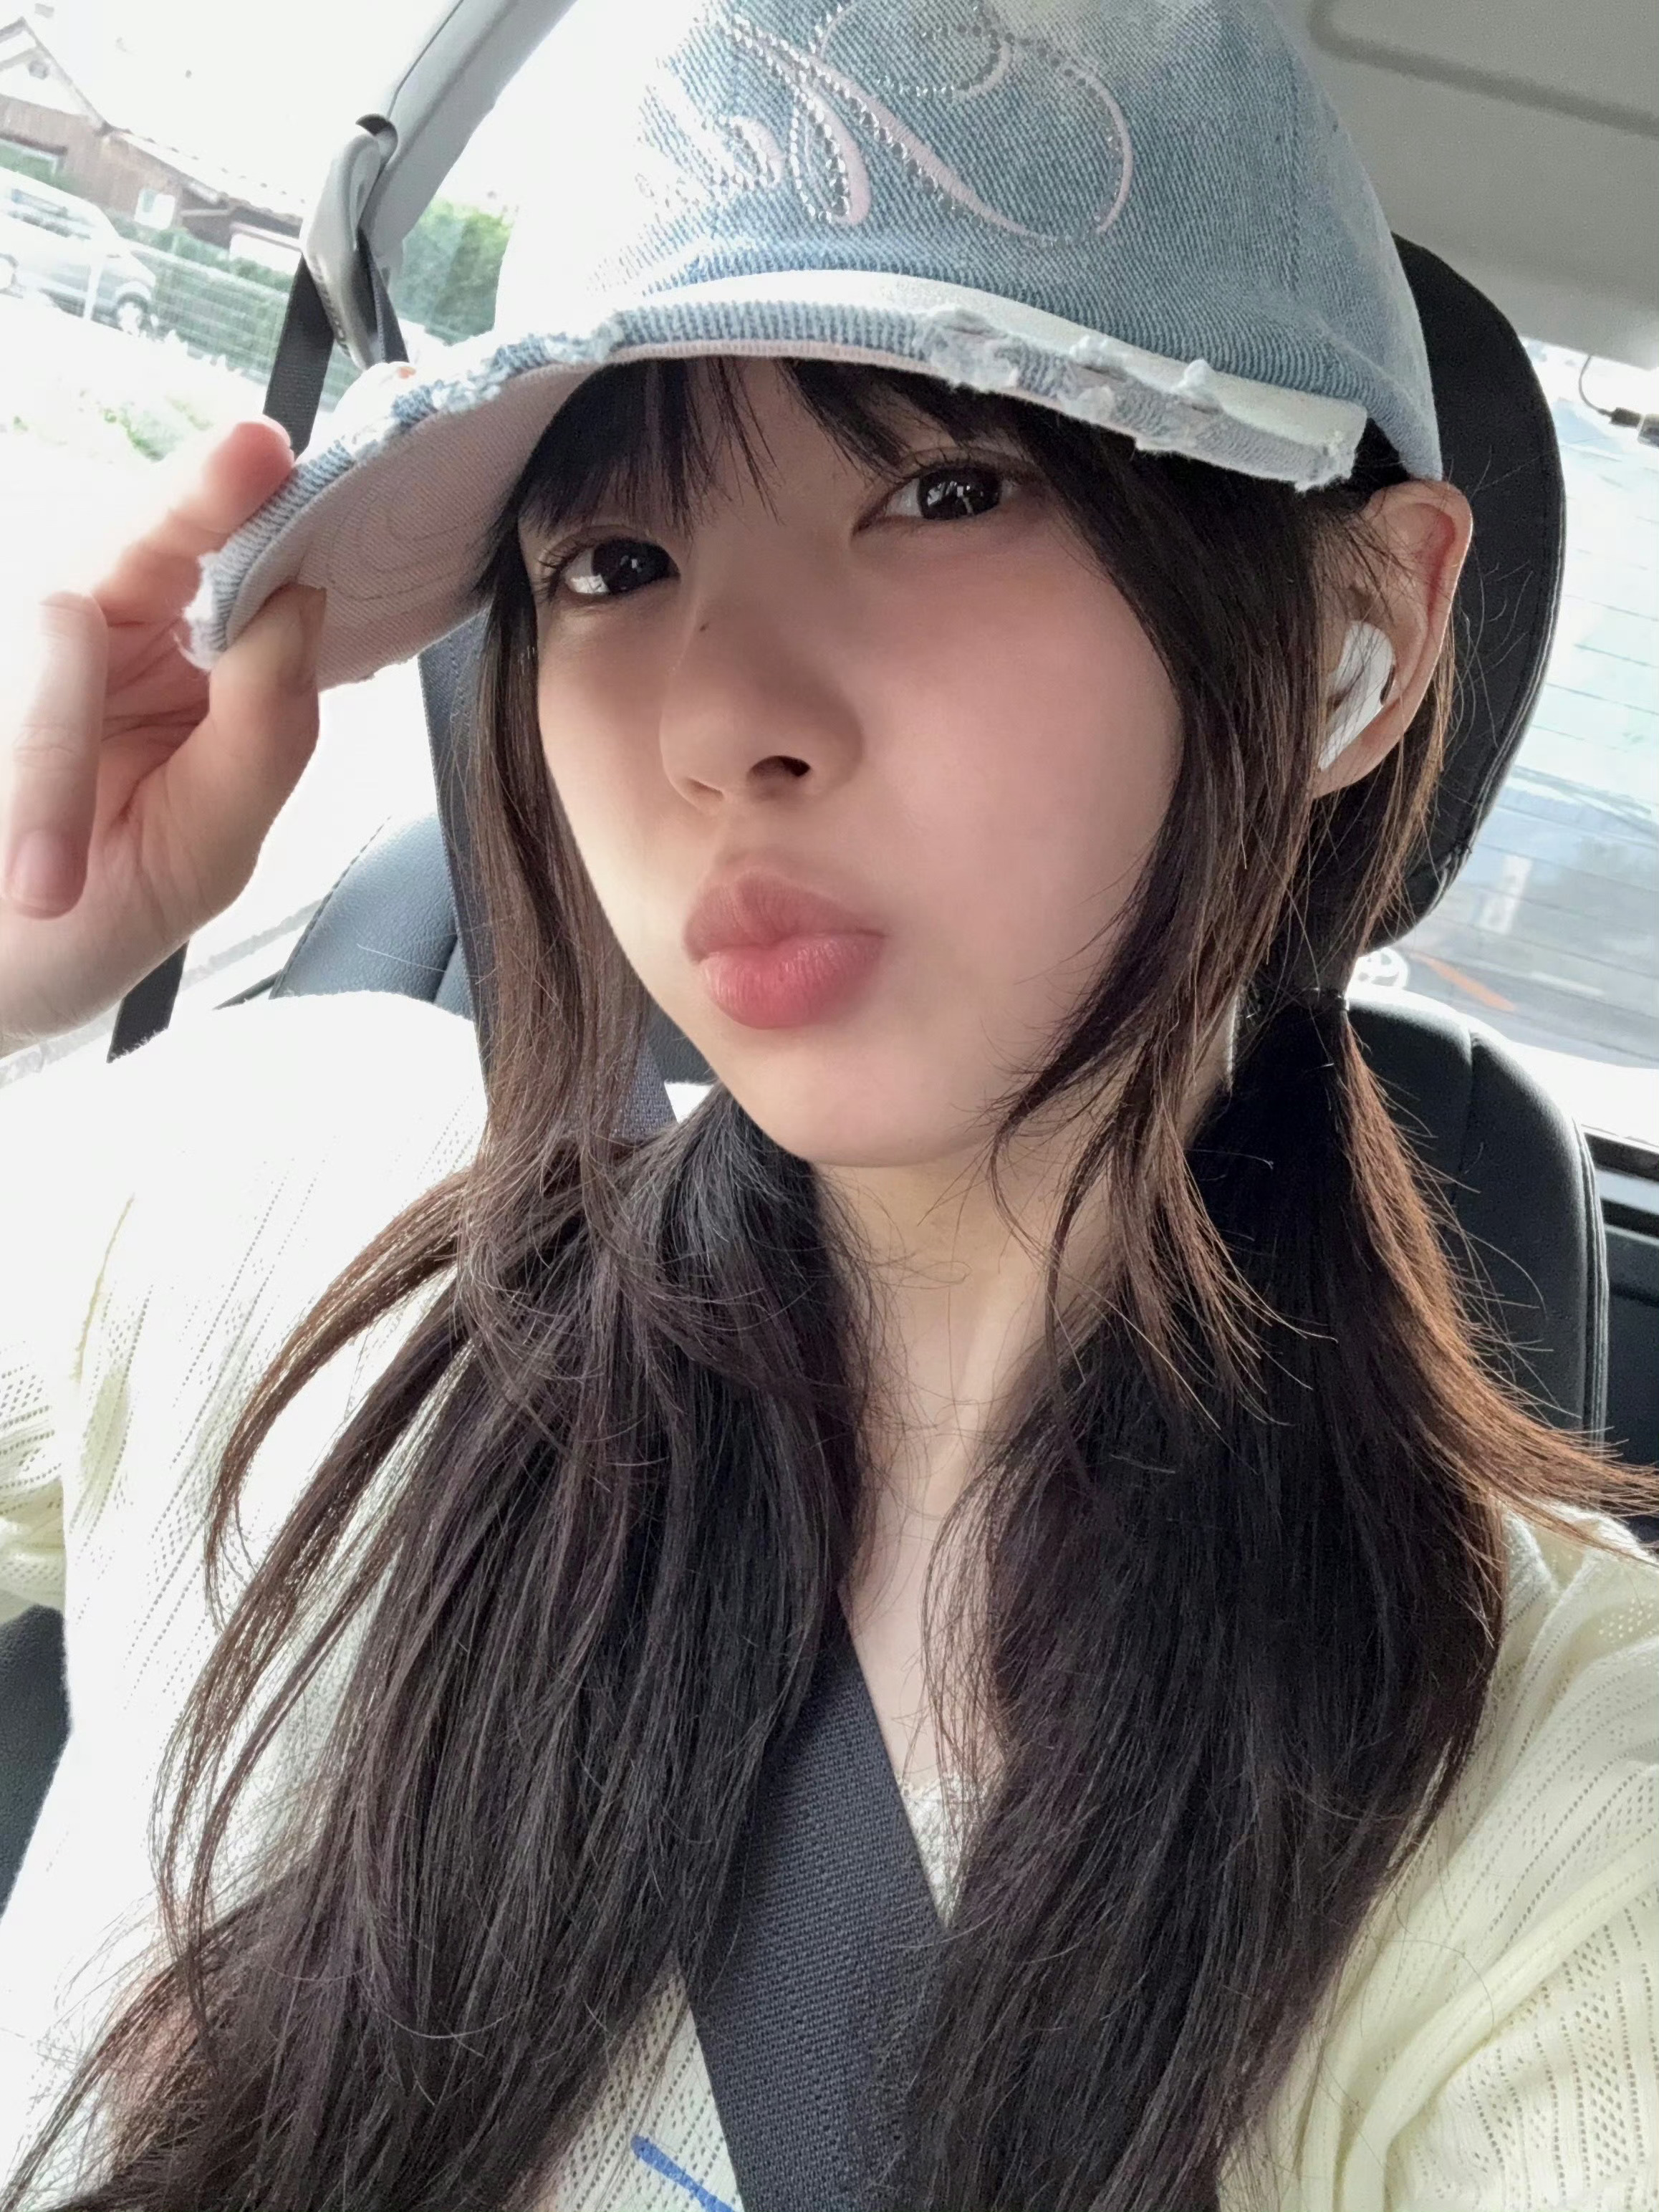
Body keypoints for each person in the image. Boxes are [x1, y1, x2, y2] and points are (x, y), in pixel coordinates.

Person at [1, 1, 1656, 2206]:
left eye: (942, 489)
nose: (722, 724)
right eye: (612, 564)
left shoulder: (1550, 1816)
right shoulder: (266, 1187)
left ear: (1354, 626)